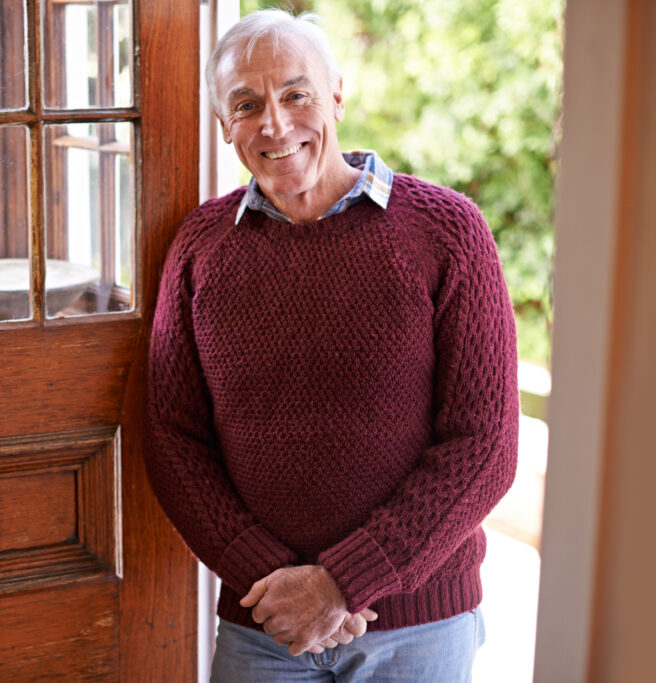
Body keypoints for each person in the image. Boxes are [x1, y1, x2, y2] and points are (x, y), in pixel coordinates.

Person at [144, 9, 519, 682]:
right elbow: (174, 440)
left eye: (296, 93)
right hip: (265, 627)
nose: (276, 124)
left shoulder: (449, 232)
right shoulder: (198, 248)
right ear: (224, 125)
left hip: (421, 626)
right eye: (247, 104)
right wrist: (281, 588)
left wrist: (342, 584)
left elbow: (484, 445)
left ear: (337, 94)